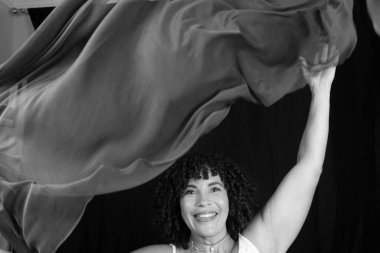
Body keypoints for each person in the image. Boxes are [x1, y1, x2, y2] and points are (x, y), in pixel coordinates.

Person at [131, 44, 339, 253]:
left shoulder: (262, 244)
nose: (203, 201)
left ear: (230, 197)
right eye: (190, 191)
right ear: (177, 204)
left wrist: (321, 90)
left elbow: (310, 167)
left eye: (214, 188)